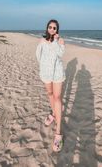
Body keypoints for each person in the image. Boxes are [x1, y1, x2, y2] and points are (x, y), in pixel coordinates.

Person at [36, 19, 66, 152]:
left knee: (58, 98)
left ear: (57, 30)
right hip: (46, 73)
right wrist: (43, 66)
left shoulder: (60, 41)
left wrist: (55, 41)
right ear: (47, 28)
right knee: (50, 94)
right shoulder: (42, 41)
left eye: (55, 28)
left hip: (57, 73)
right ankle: (54, 113)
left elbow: (60, 54)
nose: (52, 29)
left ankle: (58, 132)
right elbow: (38, 55)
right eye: (50, 27)